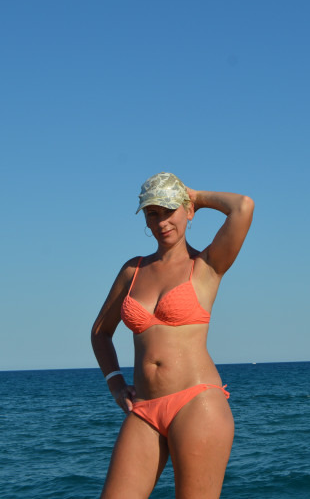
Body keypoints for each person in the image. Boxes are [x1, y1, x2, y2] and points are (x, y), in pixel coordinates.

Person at [91, 172, 254, 498]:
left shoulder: (206, 265)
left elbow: (243, 207)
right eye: (153, 213)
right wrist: (116, 384)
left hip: (197, 403)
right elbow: (100, 332)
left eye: (170, 210)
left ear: (188, 212)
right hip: (144, 407)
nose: (162, 222)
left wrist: (196, 196)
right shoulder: (132, 271)